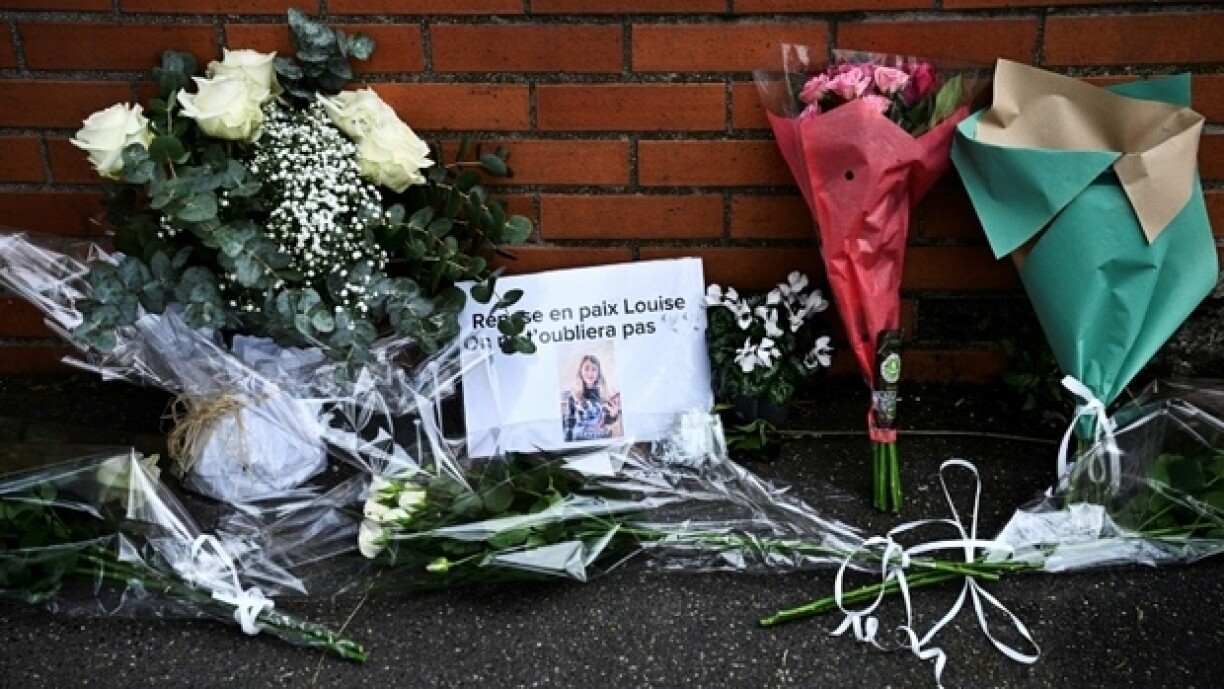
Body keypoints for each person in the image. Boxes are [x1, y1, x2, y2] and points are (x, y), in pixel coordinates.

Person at [561, 353, 622, 442]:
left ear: (598, 373)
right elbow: (569, 425)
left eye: (594, 369)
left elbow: (607, 421)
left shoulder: (605, 394)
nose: (590, 373)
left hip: (602, 440)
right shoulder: (573, 396)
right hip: (580, 441)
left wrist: (613, 415)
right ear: (581, 371)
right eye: (586, 368)